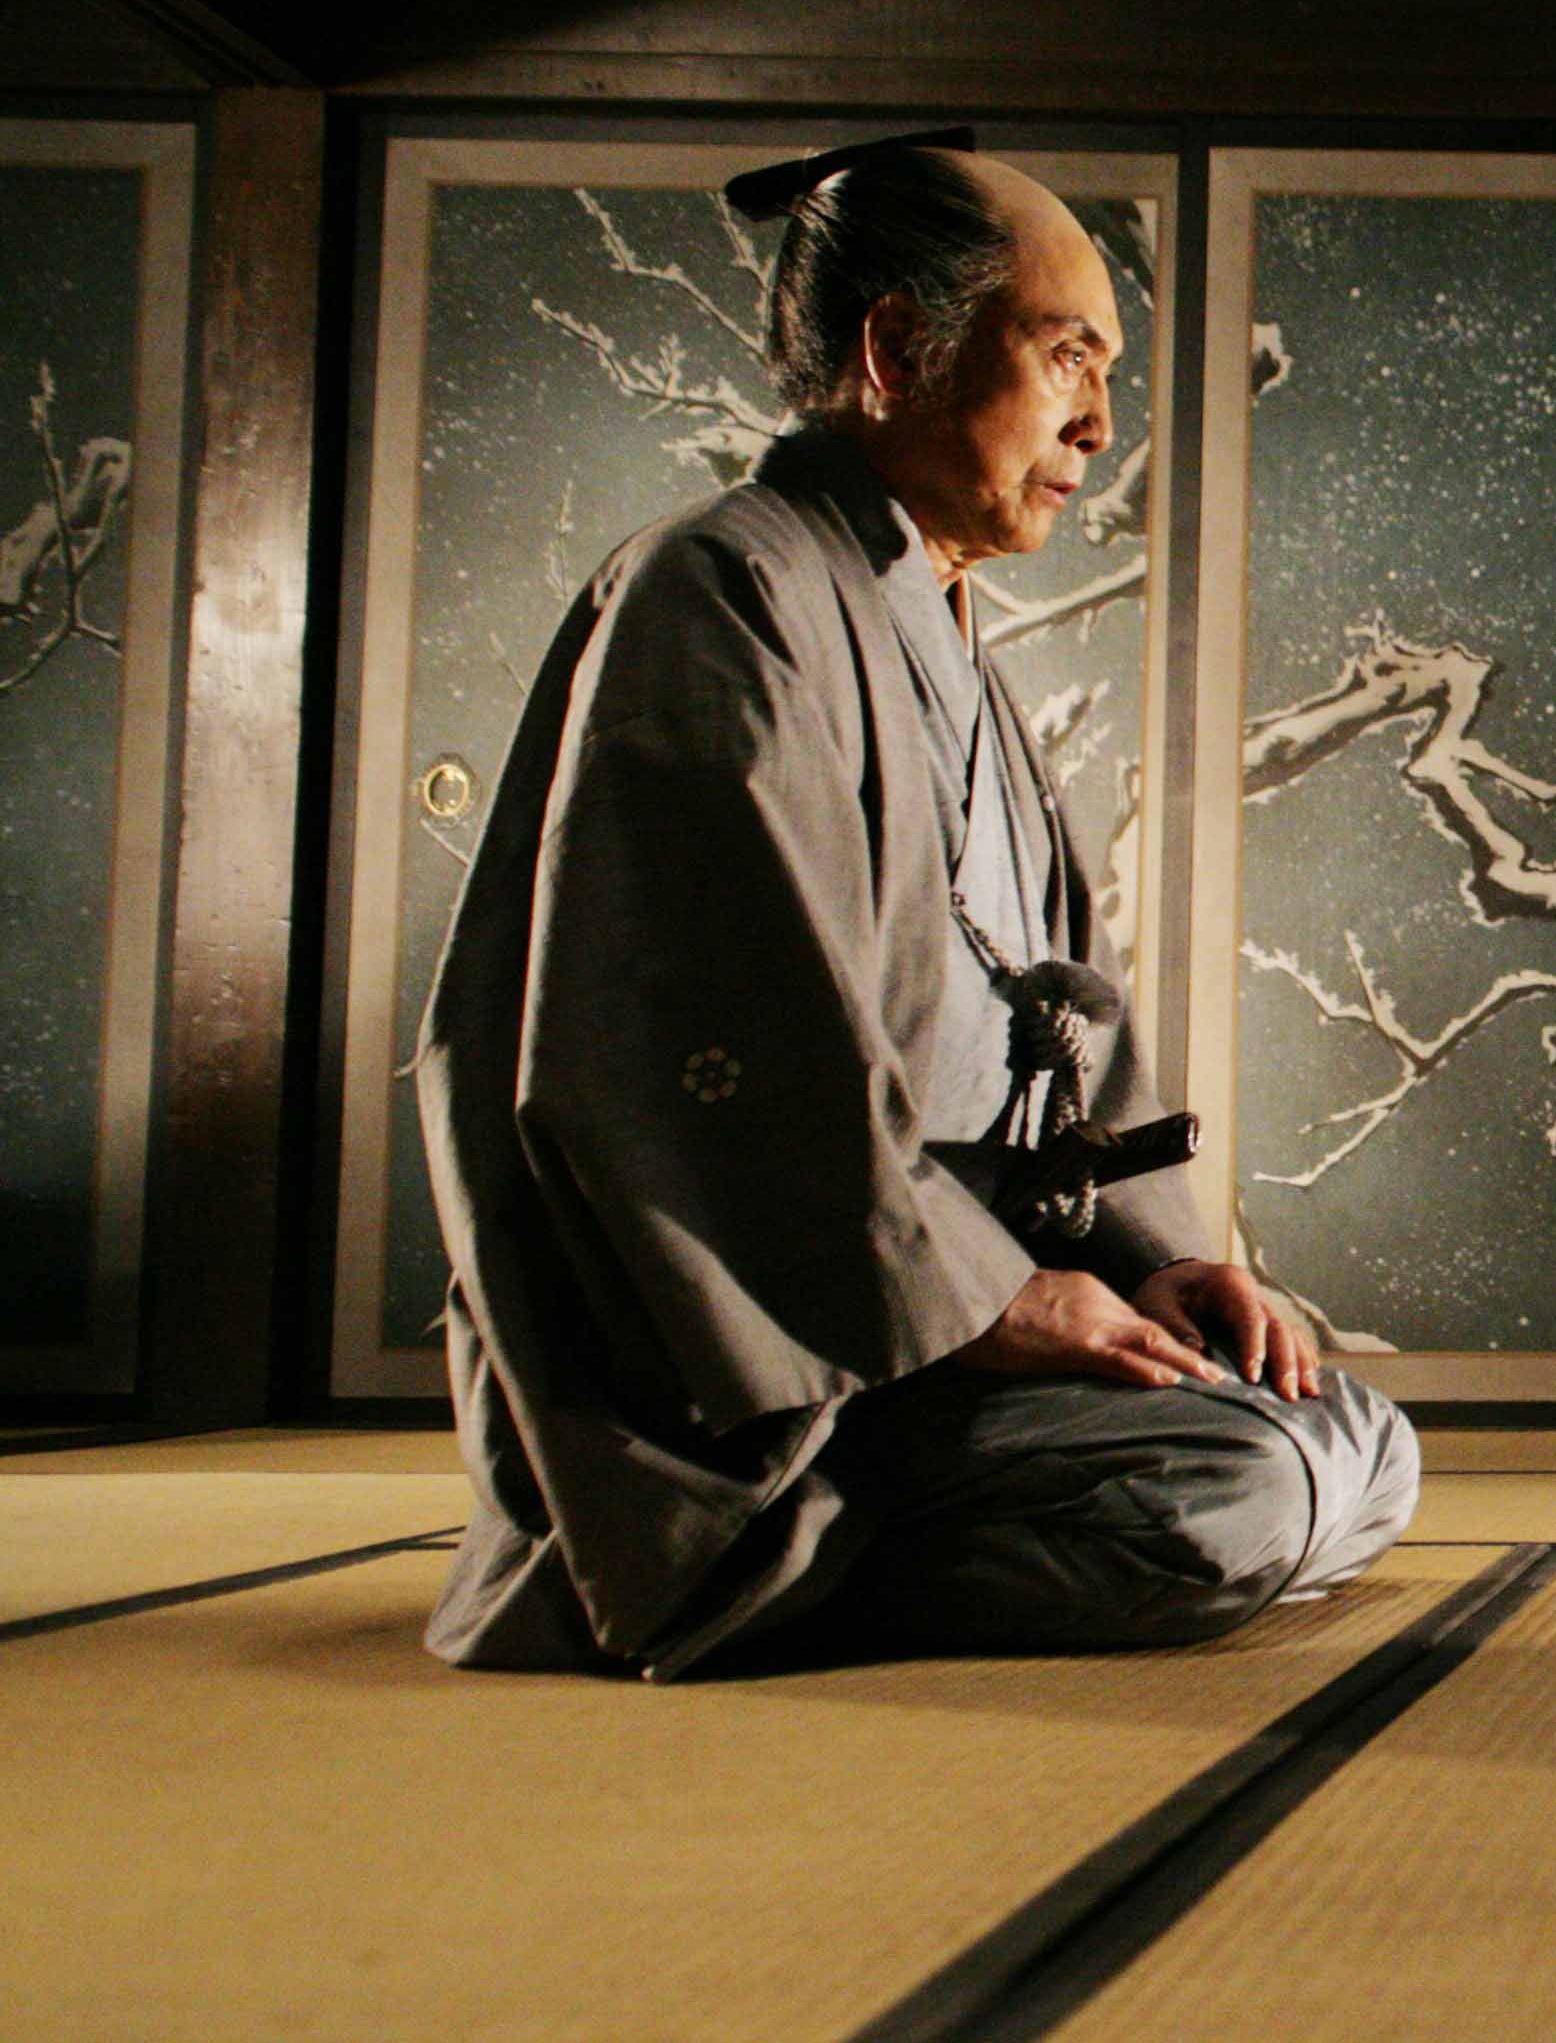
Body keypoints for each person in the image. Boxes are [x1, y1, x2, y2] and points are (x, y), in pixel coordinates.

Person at [420, 132, 1419, 1680]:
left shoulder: (948, 632)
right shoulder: (723, 592)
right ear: (896, 349)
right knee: (1248, 1487)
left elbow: (1072, 1021)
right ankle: (786, 1555)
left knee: (1357, 1435)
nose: (1099, 422)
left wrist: (1149, 1262)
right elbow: (706, 1061)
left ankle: (1018, 1488)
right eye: (1066, 356)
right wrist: (995, 1299)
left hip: (970, 1280)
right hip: (806, 1360)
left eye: (1108, 371)